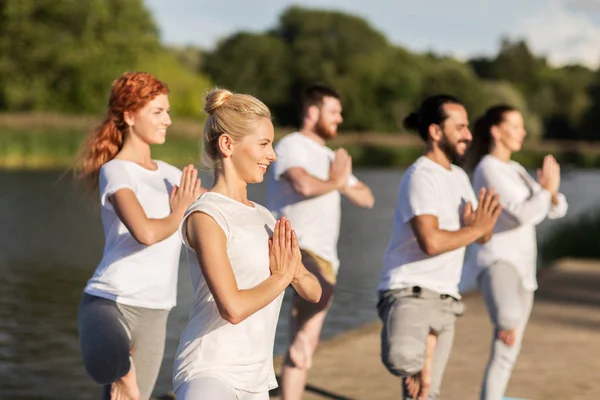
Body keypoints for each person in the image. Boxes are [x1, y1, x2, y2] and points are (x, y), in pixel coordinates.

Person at [172, 88, 322, 400]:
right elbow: (233, 308)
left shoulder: (266, 217)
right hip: (210, 373)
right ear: (228, 145)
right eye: (264, 144)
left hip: (257, 380)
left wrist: (296, 273)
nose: (273, 154)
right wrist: (282, 277)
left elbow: (314, 291)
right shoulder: (206, 215)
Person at [76, 72, 204, 400]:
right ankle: (120, 370)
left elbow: (215, 212)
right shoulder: (116, 170)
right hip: (110, 301)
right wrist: (178, 213)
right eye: (158, 112)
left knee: (135, 398)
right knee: (116, 372)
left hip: (157, 308)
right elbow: (145, 232)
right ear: (130, 116)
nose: (168, 120)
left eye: (168, 112)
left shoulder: (171, 174)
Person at [377, 94, 502, 400]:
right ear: (435, 132)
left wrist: (481, 227)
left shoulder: (459, 177)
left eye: (468, 127)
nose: (469, 135)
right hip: (410, 292)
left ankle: (427, 357)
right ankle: (424, 355)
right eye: (459, 127)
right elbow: (430, 242)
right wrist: (474, 229)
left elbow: (480, 235)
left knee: (426, 394)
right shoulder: (421, 176)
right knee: (404, 360)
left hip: (447, 299)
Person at [266, 83, 374, 399]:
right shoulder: (292, 145)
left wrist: (341, 182)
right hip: (291, 244)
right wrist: (337, 182)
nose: (340, 118)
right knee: (317, 296)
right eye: (334, 111)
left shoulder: (330, 156)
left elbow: (366, 197)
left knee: (305, 350)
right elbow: (302, 184)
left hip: (327, 255)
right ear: (313, 112)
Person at [462, 105, 568, 400]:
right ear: (496, 131)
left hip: (524, 269)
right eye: (516, 125)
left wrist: (551, 192)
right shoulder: (488, 169)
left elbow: (557, 209)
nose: (523, 132)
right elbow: (523, 214)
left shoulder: (515, 169)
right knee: (508, 322)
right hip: (498, 262)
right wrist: (547, 191)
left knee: (508, 349)